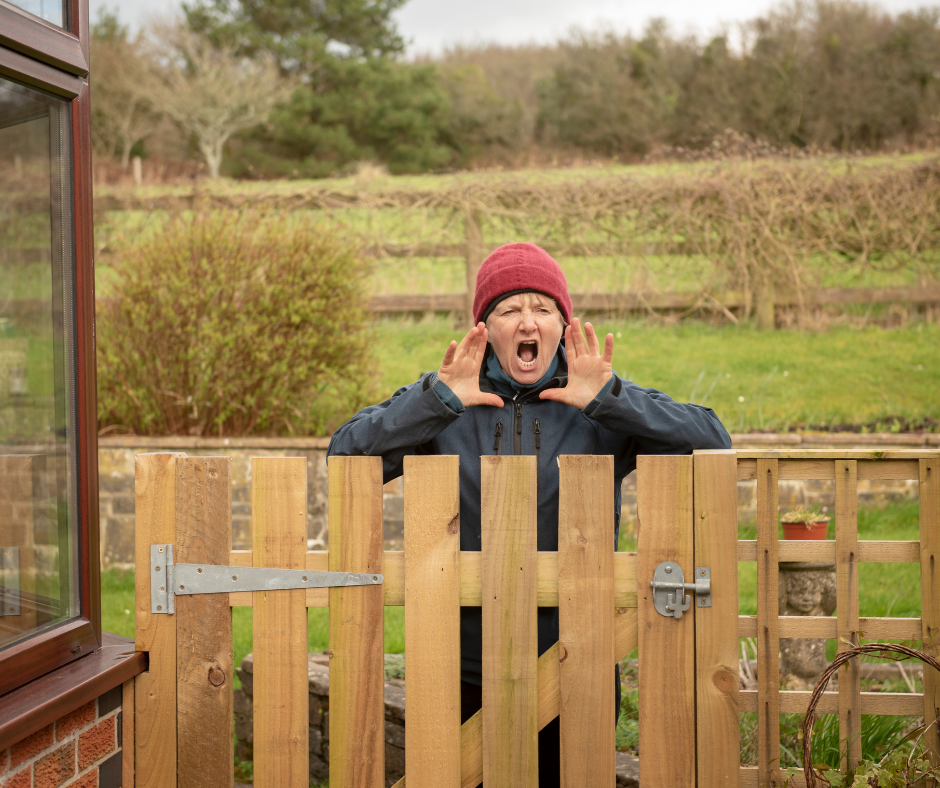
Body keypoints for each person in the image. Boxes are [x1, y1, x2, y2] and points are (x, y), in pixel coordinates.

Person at [328, 242, 731, 786]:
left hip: (579, 652)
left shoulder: (597, 400)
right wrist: (435, 402)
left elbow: (711, 440)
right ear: (484, 328)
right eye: (509, 310)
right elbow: (346, 458)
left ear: (562, 326)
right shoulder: (446, 398)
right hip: (460, 657)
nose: (527, 322)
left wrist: (610, 399)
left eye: (542, 309)